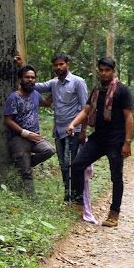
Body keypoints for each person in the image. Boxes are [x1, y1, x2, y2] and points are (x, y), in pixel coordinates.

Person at [66, 57, 134, 227]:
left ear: (113, 71)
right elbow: (87, 110)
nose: (104, 73)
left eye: (107, 70)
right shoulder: (97, 90)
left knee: (116, 176)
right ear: (98, 70)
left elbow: (129, 117)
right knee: (77, 165)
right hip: (98, 137)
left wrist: (127, 142)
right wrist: (73, 124)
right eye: (101, 70)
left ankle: (114, 213)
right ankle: (78, 203)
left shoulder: (122, 90)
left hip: (116, 140)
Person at [29, 53, 89, 201]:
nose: (58, 67)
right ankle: (67, 195)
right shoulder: (53, 83)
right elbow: (34, 85)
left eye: (61, 64)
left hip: (74, 131)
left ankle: (78, 197)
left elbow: (86, 108)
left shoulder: (78, 82)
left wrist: (83, 131)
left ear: (68, 64)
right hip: (58, 131)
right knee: (63, 165)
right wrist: (21, 67)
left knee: (74, 164)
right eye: (56, 65)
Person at [4, 65, 55, 198]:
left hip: (35, 137)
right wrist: (25, 133)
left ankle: (23, 162)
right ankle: (31, 198)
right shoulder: (13, 97)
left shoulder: (35, 94)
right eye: (27, 77)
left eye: (33, 78)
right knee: (27, 173)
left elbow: (46, 103)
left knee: (49, 150)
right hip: (18, 138)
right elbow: (8, 120)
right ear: (21, 79)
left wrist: (56, 88)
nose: (31, 80)